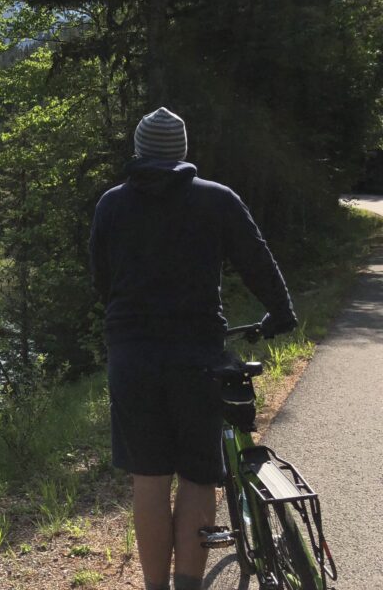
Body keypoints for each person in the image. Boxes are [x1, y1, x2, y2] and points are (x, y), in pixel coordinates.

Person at [89, 107, 297, 590]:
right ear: (182, 153)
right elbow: (257, 260)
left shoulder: (111, 204)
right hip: (199, 356)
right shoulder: (217, 200)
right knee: (199, 476)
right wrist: (281, 313)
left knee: (149, 478)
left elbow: (103, 280)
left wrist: (128, 322)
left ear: (139, 152)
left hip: (133, 357)